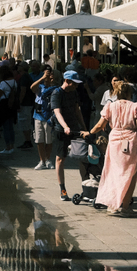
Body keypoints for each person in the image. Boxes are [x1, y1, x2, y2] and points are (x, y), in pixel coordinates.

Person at [89, 80, 137, 215]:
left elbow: (100, 125)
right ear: (129, 93)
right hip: (131, 139)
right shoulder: (135, 106)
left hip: (114, 140)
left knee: (113, 171)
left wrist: (89, 133)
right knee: (131, 173)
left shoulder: (109, 106)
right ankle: (125, 207)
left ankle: (112, 205)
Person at [51, 70, 88, 202]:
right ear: (67, 81)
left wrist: (83, 127)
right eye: (75, 83)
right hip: (62, 130)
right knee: (60, 159)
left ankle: (87, 186)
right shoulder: (57, 93)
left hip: (75, 129)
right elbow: (57, 112)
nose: (77, 86)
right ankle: (62, 189)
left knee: (83, 156)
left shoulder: (74, 92)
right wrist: (65, 126)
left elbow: (77, 110)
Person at [30, 67, 58, 170]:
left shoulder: (55, 88)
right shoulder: (40, 86)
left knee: (49, 140)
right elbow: (32, 88)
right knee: (39, 139)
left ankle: (48, 159)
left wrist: (52, 81)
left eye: (51, 74)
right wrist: (42, 78)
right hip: (38, 116)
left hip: (49, 117)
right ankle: (42, 160)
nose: (49, 76)